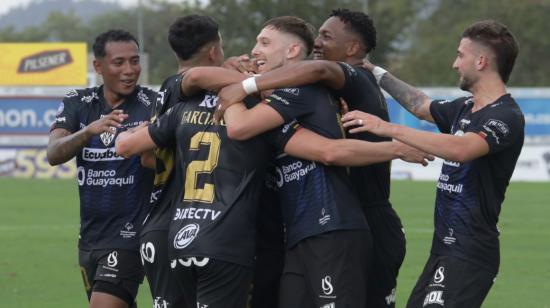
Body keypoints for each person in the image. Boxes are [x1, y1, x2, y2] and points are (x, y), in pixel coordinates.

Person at [216, 16, 430, 307]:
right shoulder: (323, 91)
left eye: (327, 37)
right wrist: (237, 78)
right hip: (318, 226)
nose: (318, 42)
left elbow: (316, 75)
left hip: (353, 220)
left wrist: (242, 86)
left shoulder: (341, 79)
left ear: (353, 47)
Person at [341, 20, 523, 308]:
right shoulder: (464, 108)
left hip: (471, 251)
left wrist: (388, 128)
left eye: (460, 55)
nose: (454, 64)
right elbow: (420, 105)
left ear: (481, 61)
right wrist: (376, 72)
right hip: (445, 249)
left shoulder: (506, 116)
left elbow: (461, 149)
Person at [47, 30, 156, 308]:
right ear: (98, 66)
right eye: (119, 62)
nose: (129, 70)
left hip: (132, 234)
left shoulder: (153, 104)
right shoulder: (78, 102)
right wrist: (87, 132)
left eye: (134, 61)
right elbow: (54, 153)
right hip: (91, 237)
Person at [138, 15, 227, 308]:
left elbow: (148, 157)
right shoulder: (181, 84)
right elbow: (197, 77)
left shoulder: (168, 95)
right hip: (175, 224)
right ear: (214, 51)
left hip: (163, 224)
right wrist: (255, 81)